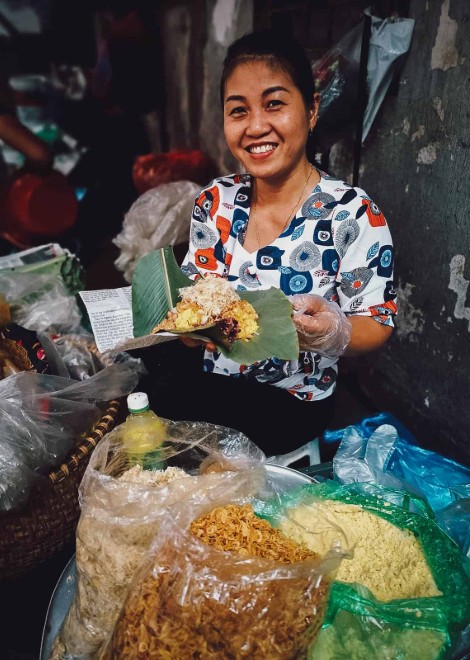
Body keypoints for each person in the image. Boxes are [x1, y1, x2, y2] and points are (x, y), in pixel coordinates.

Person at [147, 29, 397, 460]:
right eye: (238, 110)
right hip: (214, 381)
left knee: (214, 478)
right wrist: (186, 327)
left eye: (275, 104)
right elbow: (196, 290)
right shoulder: (216, 200)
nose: (256, 126)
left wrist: (334, 332)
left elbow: (379, 320)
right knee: (143, 413)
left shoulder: (352, 214)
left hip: (291, 400)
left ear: (312, 109)